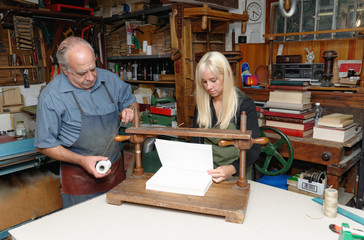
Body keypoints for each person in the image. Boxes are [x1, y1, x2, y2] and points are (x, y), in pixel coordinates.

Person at [35, 37, 138, 208]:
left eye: (93, 69)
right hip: (79, 181)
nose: (90, 77)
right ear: (65, 70)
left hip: (116, 174)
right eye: (82, 73)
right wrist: (83, 161)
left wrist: (131, 110)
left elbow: (130, 101)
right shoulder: (51, 97)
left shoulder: (109, 80)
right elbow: (44, 144)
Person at [192, 51, 261, 183]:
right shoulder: (202, 104)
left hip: (237, 172)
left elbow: (255, 148)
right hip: (208, 172)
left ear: (227, 75)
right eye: (204, 82)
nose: (209, 87)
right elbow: (196, 141)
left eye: (213, 80)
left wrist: (232, 168)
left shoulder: (244, 104)